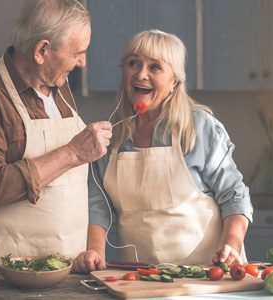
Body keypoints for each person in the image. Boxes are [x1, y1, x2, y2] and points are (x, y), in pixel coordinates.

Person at [72, 30, 253, 274]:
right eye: (133, 63)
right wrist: (94, 251)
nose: (141, 74)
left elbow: (234, 195)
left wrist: (231, 244)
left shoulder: (200, 128)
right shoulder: (108, 138)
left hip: (207, 277)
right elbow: (97, 205)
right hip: (142, 280)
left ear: (174, 83)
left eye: (155, 67)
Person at [0, 0, 112, 274]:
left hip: (67, 271)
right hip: (5, 276)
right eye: (77, 53)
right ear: (42, 51)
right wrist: (72, 153)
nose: (82, 62)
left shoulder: (59, 85)